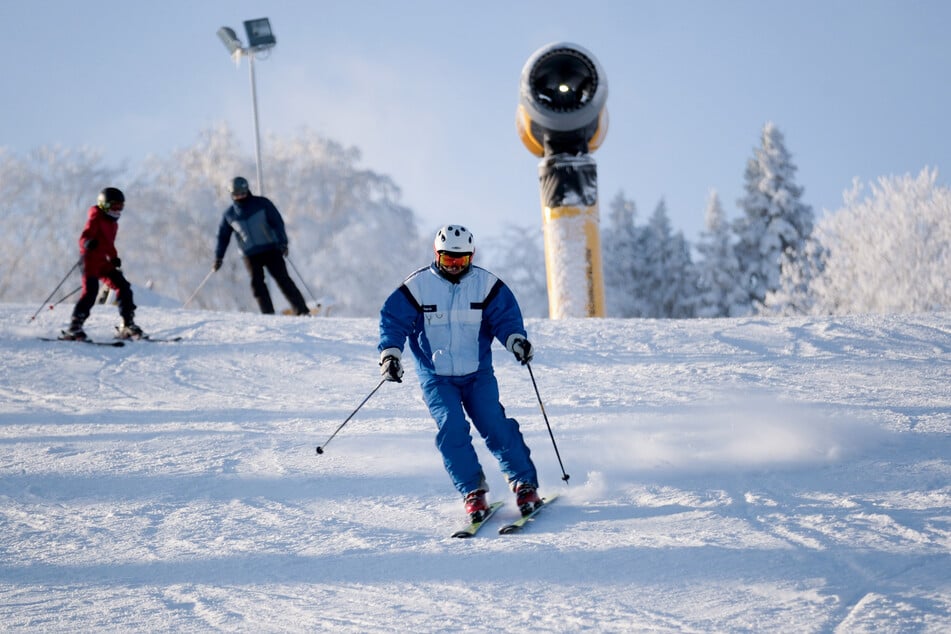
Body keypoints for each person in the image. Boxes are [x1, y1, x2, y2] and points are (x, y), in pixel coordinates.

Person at [378, 224, 541, 522]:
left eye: (461, 261)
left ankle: (524, 483)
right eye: (448, 260)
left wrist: (516, 340)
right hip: (437, 377)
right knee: (451, 428)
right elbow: (393, 321)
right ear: (436, 255)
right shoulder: (418, 287)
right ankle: (473, 492)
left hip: (478, 374)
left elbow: (506, 319)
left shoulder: (486, 285)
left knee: (495, 425)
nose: (454, 267)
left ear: (471, 256)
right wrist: (390, 354)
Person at [213, 176, 310, 315]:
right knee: (257, 285)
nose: (240, 197)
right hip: (250, 254)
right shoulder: (230, 215)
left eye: (242, 193)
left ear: (247, 190)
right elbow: (223, 237)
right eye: (236, 194)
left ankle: (302, 311)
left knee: (283, 280)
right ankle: (268, 315)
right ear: (232, 195)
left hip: (271, 248)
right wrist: (218, 257)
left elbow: (277, 223)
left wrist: (283, 242)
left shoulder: (262, 204)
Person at [64, 187, 144, 341]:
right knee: (91, 291)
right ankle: (75, 326)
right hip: (90, 261)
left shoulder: (113, 224)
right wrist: (87, 243)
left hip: (102, 262)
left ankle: (128, 324)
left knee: (123, 286)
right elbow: (84, 237)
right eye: (114, 206)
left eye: (120, 207)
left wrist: (114, 257)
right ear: (104, 205)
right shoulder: (96, 218)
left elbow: (109, 245)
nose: (117, 210)